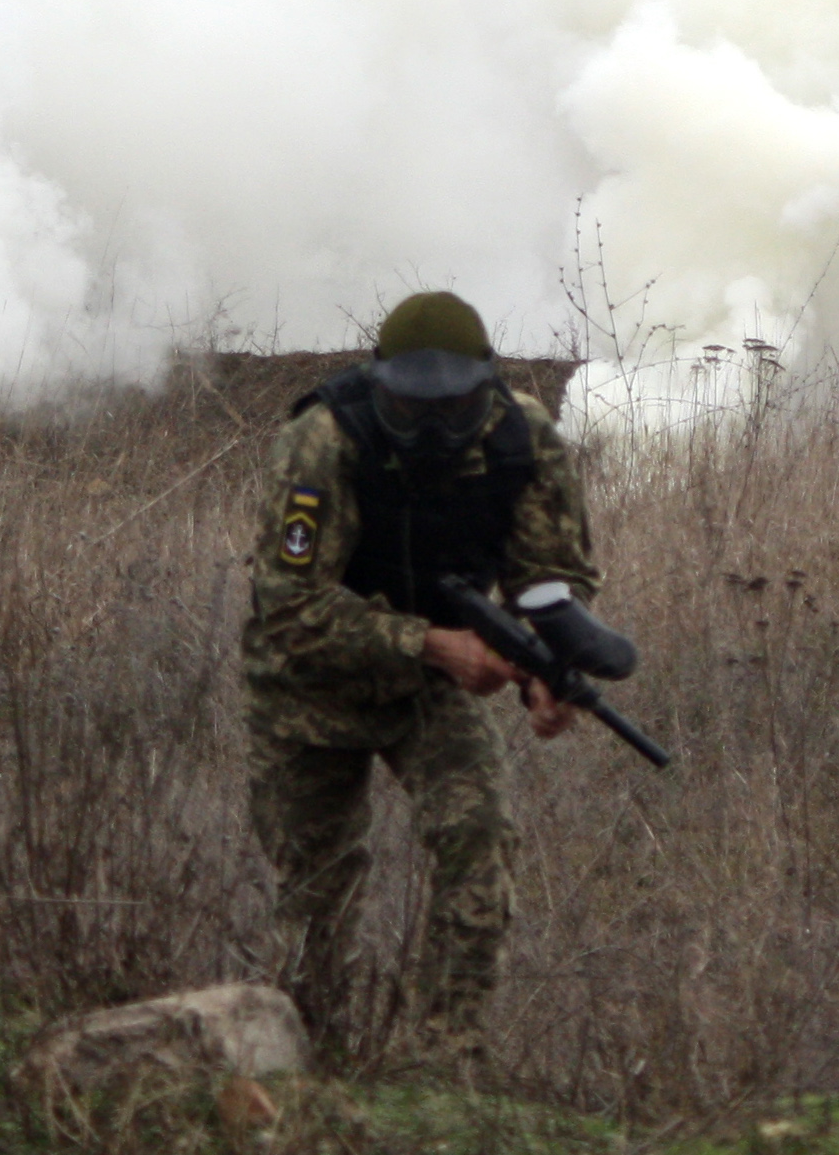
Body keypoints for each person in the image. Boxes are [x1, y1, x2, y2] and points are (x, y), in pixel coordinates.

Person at [240, 289, 602, 1067]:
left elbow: (554, 575)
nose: (434, 427)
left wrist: (546, 667)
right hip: (307, 685)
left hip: (427, 688)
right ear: (380, 387)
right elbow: (289, 611)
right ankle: (310, 1070)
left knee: (479, 837)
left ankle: (444, 1063)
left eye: (455, 406)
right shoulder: (321, 441)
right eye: (412, 409)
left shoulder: (522, 440)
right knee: (315, 887)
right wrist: (431, 644)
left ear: (486, 385)